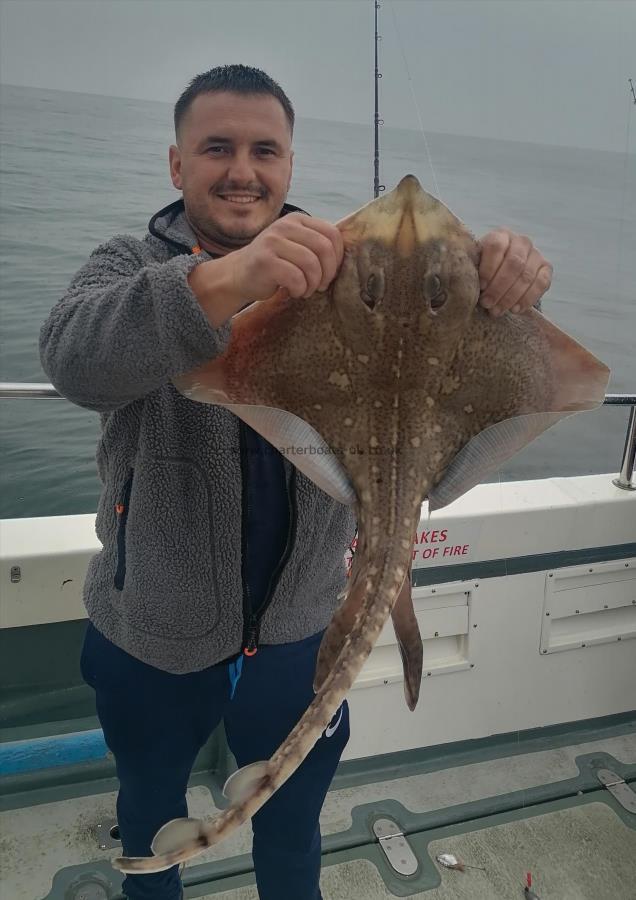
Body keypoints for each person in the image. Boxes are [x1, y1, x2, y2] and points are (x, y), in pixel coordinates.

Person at [39, 64, 553, 900]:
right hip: (151, 635)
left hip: (300, 633)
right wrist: (229, 281)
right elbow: (72, 359)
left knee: (291, 832)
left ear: (289, 165)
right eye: (217, 148)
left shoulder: (347, 270)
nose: (243, 169)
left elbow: (464, 365)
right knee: (148, 818)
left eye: (264, 150)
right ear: (178, 166)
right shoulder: (128, 263)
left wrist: (503, 289)